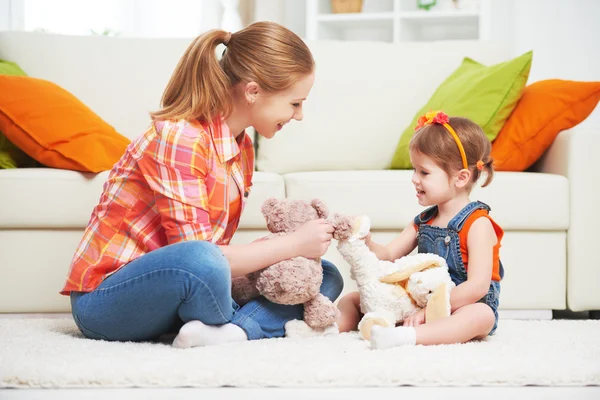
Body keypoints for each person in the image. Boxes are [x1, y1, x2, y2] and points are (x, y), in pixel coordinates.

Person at [60, 21, 343, 348]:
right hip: (107, 302)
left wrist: (296, 255)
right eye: (294, 103)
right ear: (253, 91)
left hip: (186, 287)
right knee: (203, 260)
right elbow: (203, 257)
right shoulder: (181, 137)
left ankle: (230, 332)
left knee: (325, 274)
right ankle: (247, 322)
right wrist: (294, 244)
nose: (299, 115)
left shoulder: (240, 146)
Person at [337, 111, 504, 348]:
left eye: (424, 172)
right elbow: (388, 255)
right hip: (417, 300)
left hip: (460, 305)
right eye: (414, 170)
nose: (414, 179)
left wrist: (430, 311)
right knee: (354, 299)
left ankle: (408, 337)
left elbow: (477, 287)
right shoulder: (423, 220)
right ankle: (329, 328)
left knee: (481, 316)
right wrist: (366, 243)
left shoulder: (478, 223)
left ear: (461, 178)